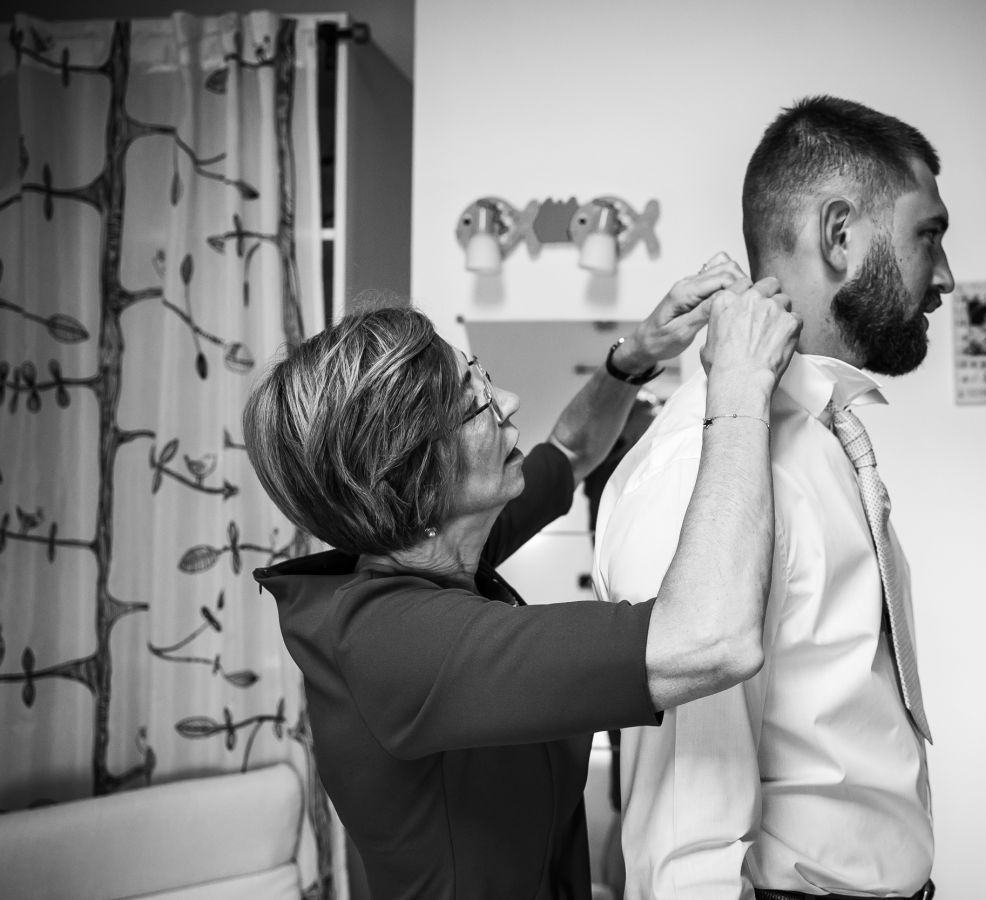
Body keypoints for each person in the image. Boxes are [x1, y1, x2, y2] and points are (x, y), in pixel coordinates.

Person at [244, 254, 801, 900]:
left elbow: (570, 451)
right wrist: (739, 390)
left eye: (480, 376)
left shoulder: (437, 545)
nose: (507, 402)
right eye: (475, 405)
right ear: (414, 480)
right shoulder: (395, 643)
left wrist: (634, 356)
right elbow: (712, 636)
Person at [592, 95, 954, 899]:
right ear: (839, 234)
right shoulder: (706, 469)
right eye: (928, 234)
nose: (946, 277)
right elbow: (683, 840)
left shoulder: (819, 435)